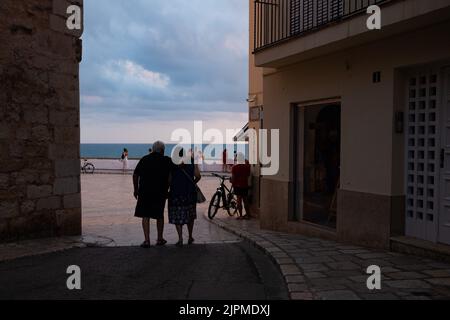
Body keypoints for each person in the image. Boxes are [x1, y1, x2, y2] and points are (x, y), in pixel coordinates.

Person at [133, 141, 172, 248]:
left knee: (145, 215)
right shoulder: (167, 160)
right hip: (160, 192)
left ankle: (147, 240)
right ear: (163, 150)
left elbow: (135, 175)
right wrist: (168, 189)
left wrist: (135, 190)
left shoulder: (144, 159)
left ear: (153, 149)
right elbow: (171, 176)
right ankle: (160, 238)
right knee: (159, 215)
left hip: (144, 192)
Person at [168, 148, 201, 247]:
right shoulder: (191, 161)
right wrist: (191, 183)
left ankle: (180, 238)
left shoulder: (172, 163)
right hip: (190, 194)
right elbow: (198, 176)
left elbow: (169, 180)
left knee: (177, 216)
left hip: (176, 194)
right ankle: (190, 237)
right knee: (190, 215)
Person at [231, 153, 251, 220]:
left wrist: (232, 183)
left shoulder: (235, 167)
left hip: (237, 186)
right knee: (245, 201)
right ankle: (248, 215)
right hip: (245, 185)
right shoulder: (247, 167)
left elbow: (233, 178)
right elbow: (248, 175)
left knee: (239, 201)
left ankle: (241, 215)